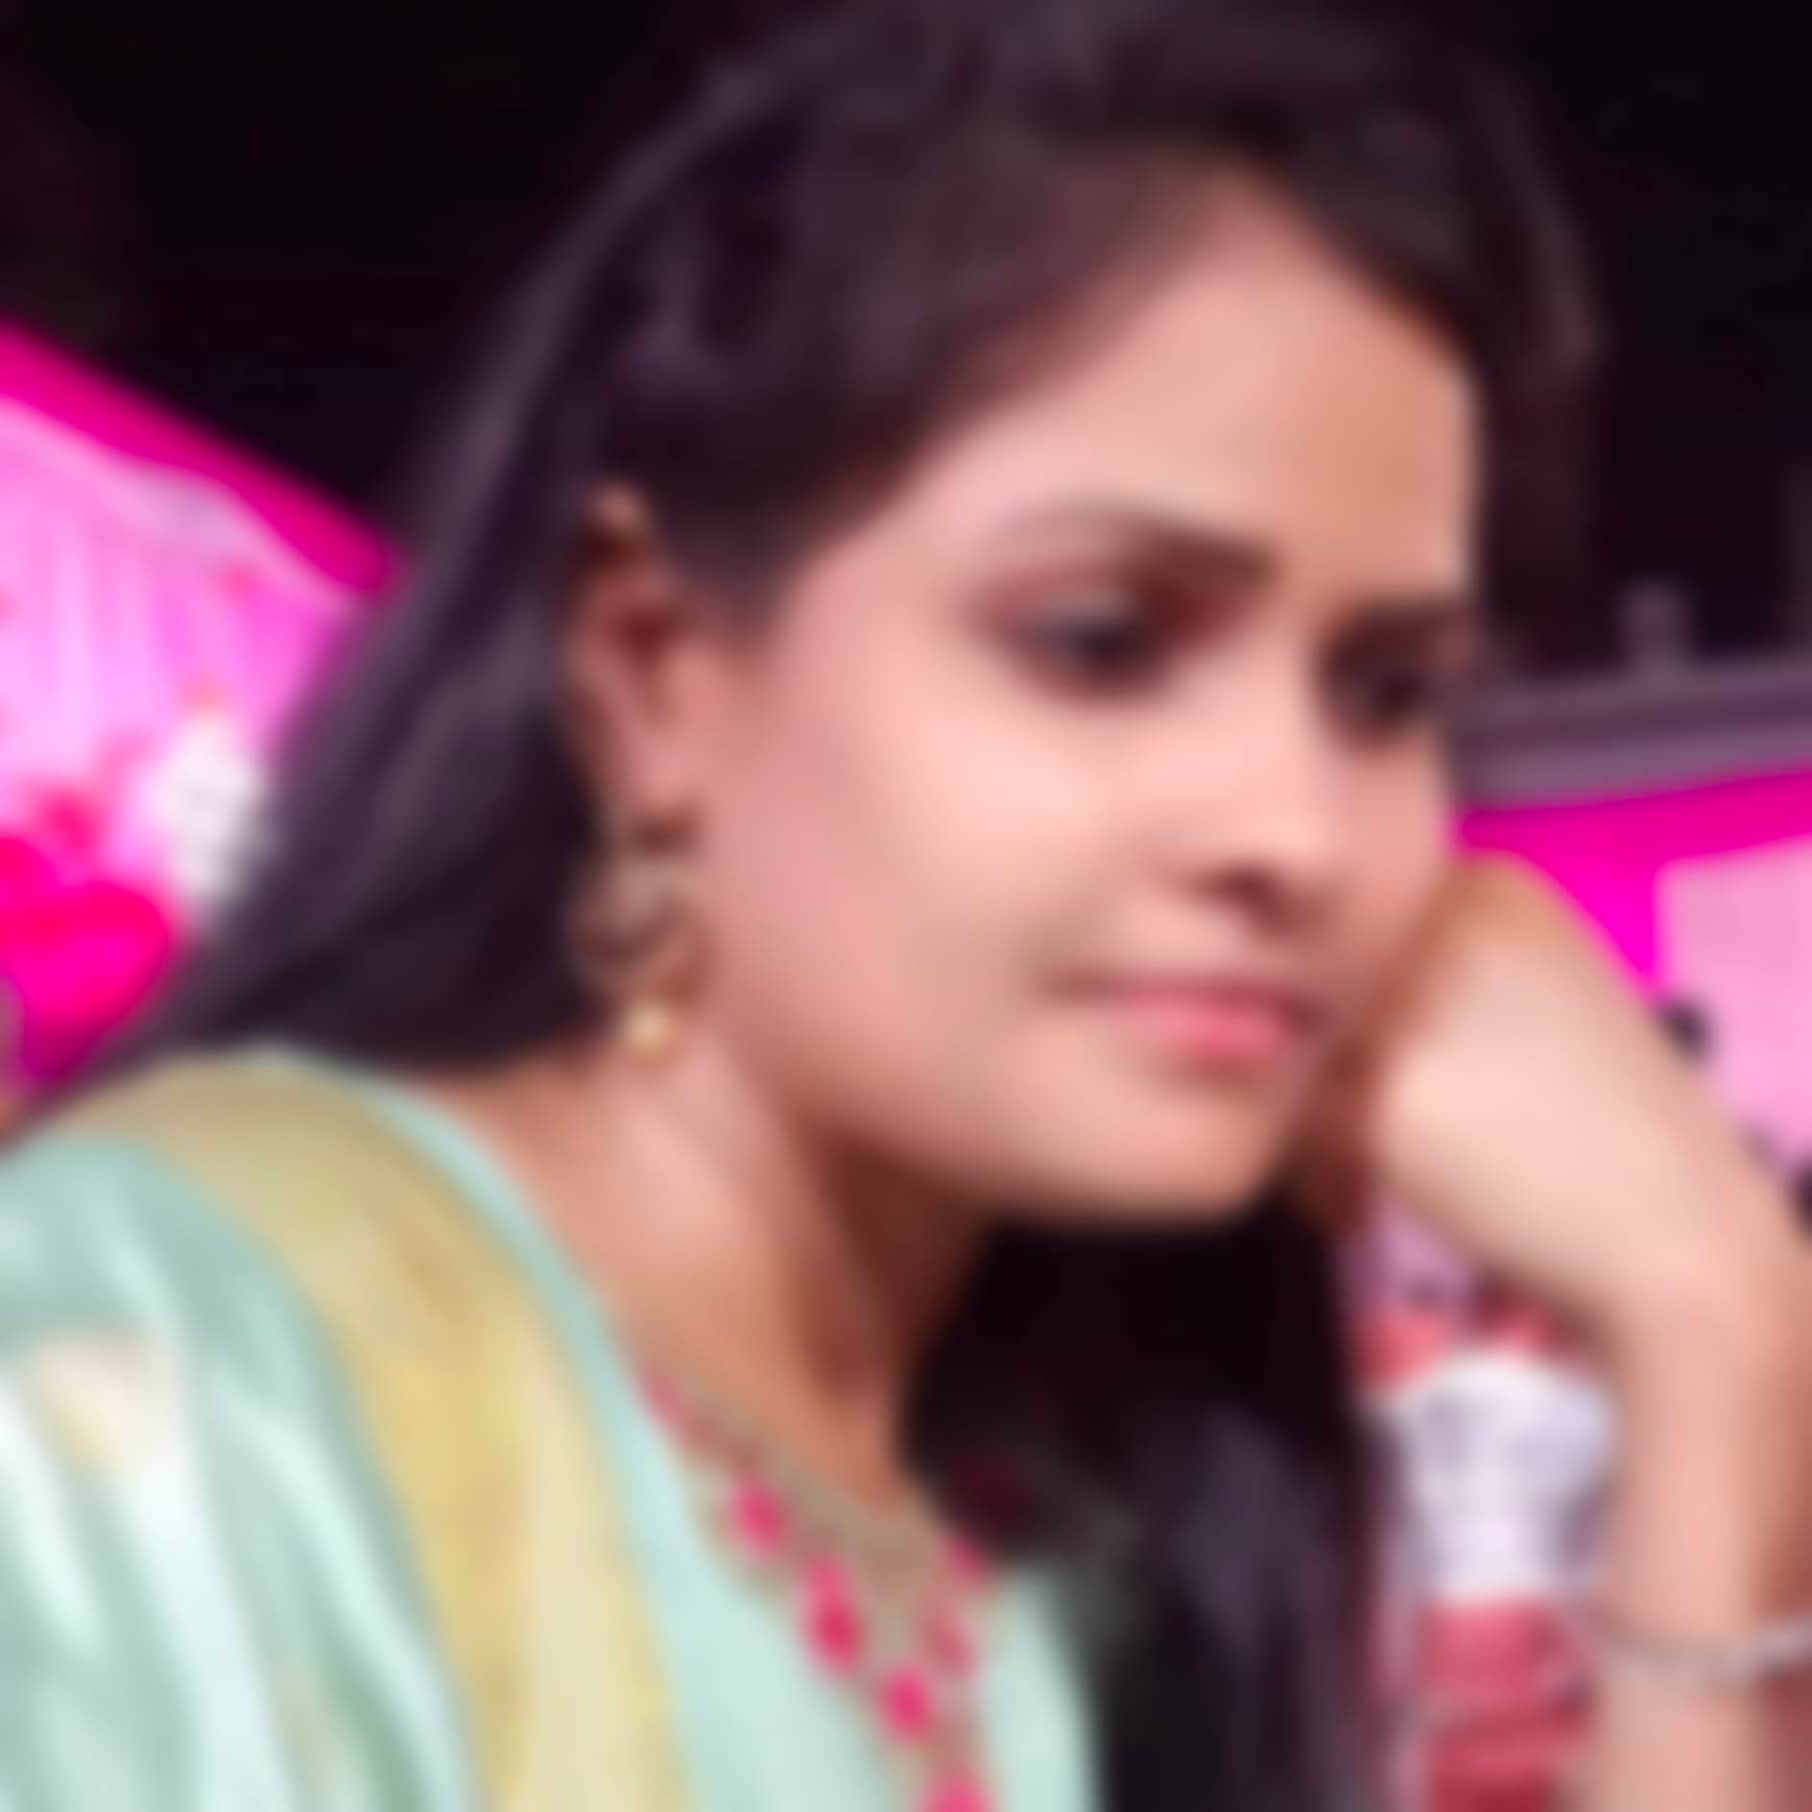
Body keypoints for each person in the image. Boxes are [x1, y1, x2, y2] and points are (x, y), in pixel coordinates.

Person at [2, 3, 1809, 1809]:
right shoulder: (186, 1353)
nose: (1302, 830)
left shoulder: (1053, 1500)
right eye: (1101, 641)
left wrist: (1717, 1329)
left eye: (1385, 691)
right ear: (653, 673)